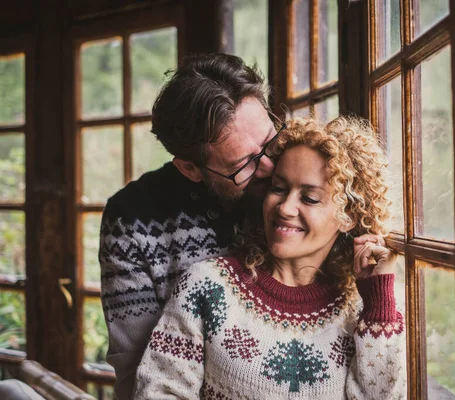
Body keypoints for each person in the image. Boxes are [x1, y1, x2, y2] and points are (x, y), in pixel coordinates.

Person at [133, 117, 406, 399]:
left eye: (309, 198)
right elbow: (159, 391)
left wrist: (379, 303)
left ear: (348, 216)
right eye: (279, 188)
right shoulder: (206, 286)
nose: (286, 207)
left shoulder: (361, 311)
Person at [99, 54, 280, 400]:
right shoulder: (132, 219)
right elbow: (137, 371)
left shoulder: (296, 188)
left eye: (270, 141)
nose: (270, 167)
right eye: (245, 163)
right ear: (190, 168)